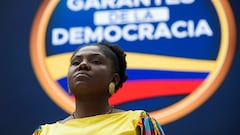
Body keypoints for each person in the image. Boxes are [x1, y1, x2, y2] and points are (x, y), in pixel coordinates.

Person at [32, 41, 165, 135]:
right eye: (76, 62)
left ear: (114, 79)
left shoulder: (138, 123)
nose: (82, 65)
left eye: (96, 61)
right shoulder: (45, 132)